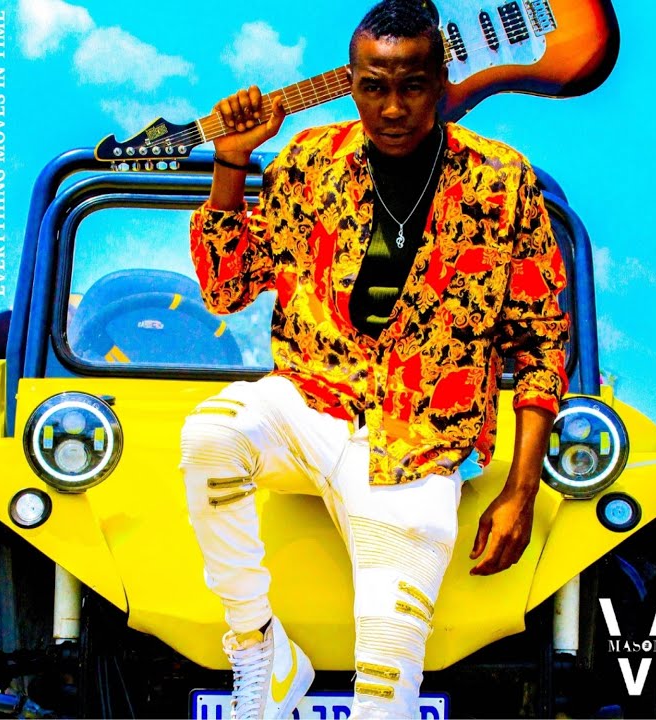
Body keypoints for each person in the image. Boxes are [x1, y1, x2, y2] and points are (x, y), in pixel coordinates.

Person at [180, 1, 569, 717]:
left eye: (412, 85)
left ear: (442, 81)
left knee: (386, 700)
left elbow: (541, 341)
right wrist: (231, 161)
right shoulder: (309, 163)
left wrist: (521, 491)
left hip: (420, 445)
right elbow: (226, 288)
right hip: (310, 403)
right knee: (209, 436)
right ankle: (260, 649)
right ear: (351, 84)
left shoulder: (501, 181)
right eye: (374, 86)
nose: (393, 107)